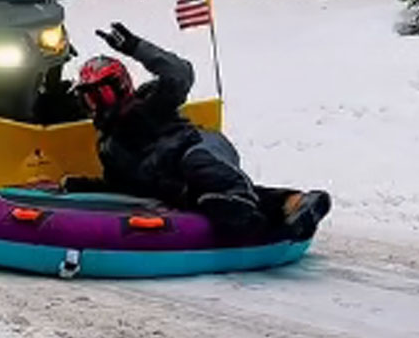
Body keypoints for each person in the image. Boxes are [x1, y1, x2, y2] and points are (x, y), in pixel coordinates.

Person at [69, 22, 331, 241]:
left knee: (198, 166)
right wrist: (80, 185)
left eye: (101, 95)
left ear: (121, 86)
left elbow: (180, 74)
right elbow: (123, 186)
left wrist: (136, 47)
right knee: (203, 197)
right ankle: (293, 205)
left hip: (200, 146)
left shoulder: (150, 102)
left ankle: (241, 209)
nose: (98, 105)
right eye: (90, 99)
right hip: (184, 183)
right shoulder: (110, 146)